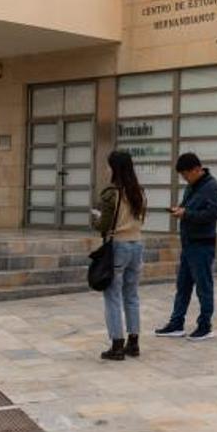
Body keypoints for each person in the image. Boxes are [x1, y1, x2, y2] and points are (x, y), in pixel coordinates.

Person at [154, 152, 217, 341]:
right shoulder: (191, 187)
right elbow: (189, 208)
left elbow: (213, 215)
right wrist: (180, 210)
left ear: (196, 169)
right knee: (183, 286)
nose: (184, 179)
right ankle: (176, 324)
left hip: (202, 245)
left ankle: (205, 325)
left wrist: (187, 214)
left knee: (204, 286)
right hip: (188, 244)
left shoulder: (212, 188)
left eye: (186, 175)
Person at [92, 150, 147, 361]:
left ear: (115, 168)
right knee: (131, 296)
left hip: (118, 246)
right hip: (137, 244)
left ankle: (116, 344)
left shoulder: (111, 194)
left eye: (108, 165)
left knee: (113, 296)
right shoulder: (139, 192)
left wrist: (95, 218)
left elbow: (103, 224)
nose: (106, 169)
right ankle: (133, 343)